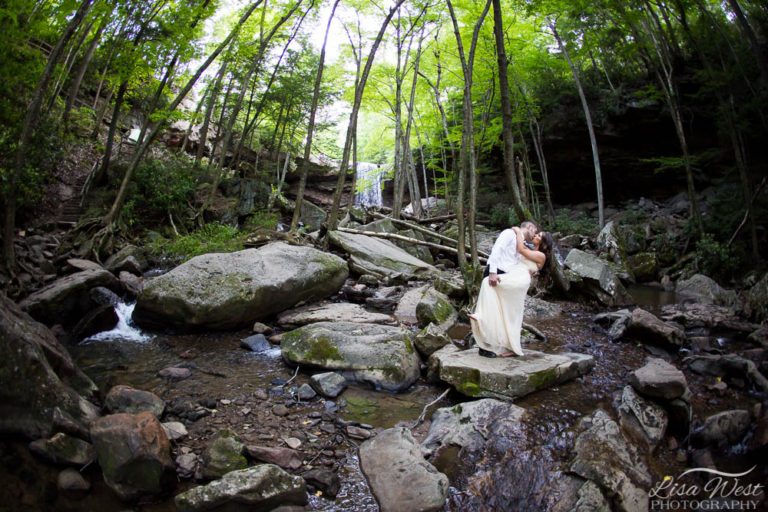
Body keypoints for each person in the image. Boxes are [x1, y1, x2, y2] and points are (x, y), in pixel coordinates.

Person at [468, 221, 552, 358]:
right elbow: (496, 251)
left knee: (507, 312)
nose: (535, 234)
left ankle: (495, 337)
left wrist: (518, 232)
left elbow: (520, 253)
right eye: (535, 231)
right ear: (529, 227)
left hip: (512, 279)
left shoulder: (528, 247)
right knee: (494, 301)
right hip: (501, 274)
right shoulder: (509, 234)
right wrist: (493, 272)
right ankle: (482, 325)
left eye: (538, 235)